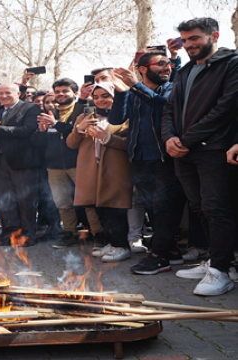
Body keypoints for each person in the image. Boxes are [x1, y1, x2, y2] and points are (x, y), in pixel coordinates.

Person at [161, 18, 238, 296]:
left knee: (217, 208)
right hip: (183, 151)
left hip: (214, 147)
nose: (189, 45)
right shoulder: (183, 72)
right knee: (200, 208)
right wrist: (169, 138)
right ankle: (220, 262)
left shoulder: (231, 64)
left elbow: (225, 107)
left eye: (194, 39)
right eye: (184, 40)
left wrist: (186, 139)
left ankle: (220, 271)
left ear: (214, 35)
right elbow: (168, 109)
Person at [108, 50, 190, 274]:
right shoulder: (132, 93)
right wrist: (120, 90)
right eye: (161, 63)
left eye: (169, 63)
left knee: (165, 208)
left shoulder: (172, 88)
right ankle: (170, 251)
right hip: (139, 158)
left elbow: (165, 106)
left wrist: (135, 86)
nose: (167, 67)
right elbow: (116, 119)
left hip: (165, 158)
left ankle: (159, 256)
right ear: (143, 69)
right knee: (152, 208)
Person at [66, 82, 132, 262]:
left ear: (114, 97)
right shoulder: (84, 116)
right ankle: (112, 243)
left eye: (105, 96)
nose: (100, 100)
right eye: (95, 97)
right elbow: (71, 144)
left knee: (115, 209)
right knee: (98, 208)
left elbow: (130, 145)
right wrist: (80, 129)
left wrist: (107, 138)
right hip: (89, 169)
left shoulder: (125, 116)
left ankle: (122, 246)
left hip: (115, 169)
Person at [37, 79, 103, 248]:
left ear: (74, 93)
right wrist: (42, 132)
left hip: (79, 163)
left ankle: (99, 235)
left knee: (88, 201)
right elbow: (39, 143)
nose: (60, 94)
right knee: (62, 202)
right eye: (57, 91)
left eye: (65, 91)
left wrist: (56, 124)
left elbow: (82, 131)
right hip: (54, 166)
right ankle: (69, 234)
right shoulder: (51, 112)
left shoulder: (87, 107)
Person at [0, 83, 41, 247]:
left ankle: (27, 235)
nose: (3, 96)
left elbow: (27, 130)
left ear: (18, 93)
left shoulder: (30, 108)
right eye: (0, 93)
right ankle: (9, 234)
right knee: (5, 200)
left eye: (7, 93)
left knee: (26, 200)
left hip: (22, 161)